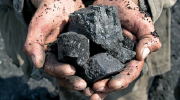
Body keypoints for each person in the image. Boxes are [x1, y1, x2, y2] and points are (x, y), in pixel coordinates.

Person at [0, 0, 176, 100]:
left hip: (130, 18)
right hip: (47, 16)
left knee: (128, 93)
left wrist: (146, 2)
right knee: (69, 86)